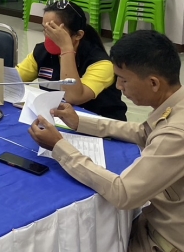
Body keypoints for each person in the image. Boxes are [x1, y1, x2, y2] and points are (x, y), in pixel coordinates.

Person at [29, 30, 184, 252]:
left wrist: (59, 147)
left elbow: (124, 193)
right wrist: (80, 122)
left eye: (124, 79)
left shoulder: (176, 134)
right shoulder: (176, 104)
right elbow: (143, 132)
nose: (119, 86)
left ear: (153, 83)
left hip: (162, 240)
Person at [16, 0, 126, 121]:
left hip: (99, 124)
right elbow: (12, 81)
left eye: (54, 30)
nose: (48, 35)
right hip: (61, 120)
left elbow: (73, 97)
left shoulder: (102, 63)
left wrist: (66, 49)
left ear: (78, 35)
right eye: (45, 29)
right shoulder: (41, 52)